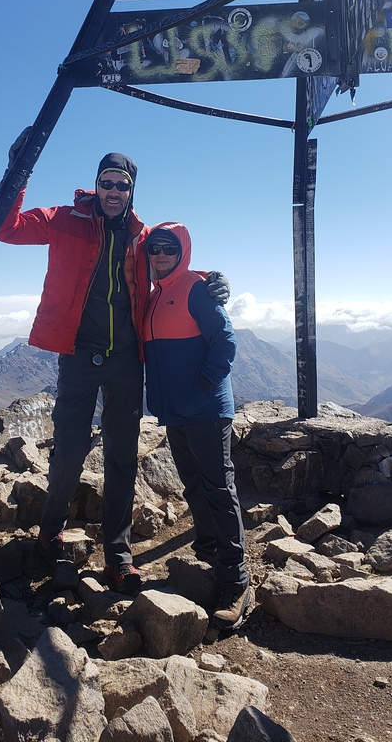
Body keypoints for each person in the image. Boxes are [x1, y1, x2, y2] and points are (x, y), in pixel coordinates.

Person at [0, 133, 229, 594]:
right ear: (96, 185)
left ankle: (118, 555)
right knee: (69, 450)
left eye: (121, 184)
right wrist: (16, 172)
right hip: (79, 357)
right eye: (107, 182)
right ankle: (49, 531)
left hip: (126, 361)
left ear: (131, 190)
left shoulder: (143, 238)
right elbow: (7, 228)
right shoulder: (63, 220)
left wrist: (210, 281)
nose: (113, 191)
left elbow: (171, 268)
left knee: (122, 456)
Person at [142, 221, 251, 629]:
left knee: (218, 487)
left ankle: (236, 579)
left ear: (183, 250)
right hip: (176, 411)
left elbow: (226, 340)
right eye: (154, 247)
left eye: (169, 247)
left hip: (205, 408)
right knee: (193, 482)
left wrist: (204, 384)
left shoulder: (194, 288)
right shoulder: (155, 296)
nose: (161, 253)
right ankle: (209, 550)